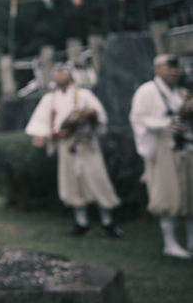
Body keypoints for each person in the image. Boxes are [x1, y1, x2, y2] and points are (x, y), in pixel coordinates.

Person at [25, 63, 122, 237]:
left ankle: (108, 223)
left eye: (64, 71)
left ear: (71, 75)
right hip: (65, 145)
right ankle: (82, 223)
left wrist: (91, 115)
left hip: (86, 144)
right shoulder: (50, 98)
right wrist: (40, 135)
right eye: (57, 72)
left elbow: (100, 116)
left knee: (97, 179)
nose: (60, 75)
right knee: (72, 183)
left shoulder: (84, 95)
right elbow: (41, 122)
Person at [130, 54, 193, 258]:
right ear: (156, 69)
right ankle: (170, 242)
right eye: (169, 67)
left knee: (190, 195)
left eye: (177, 68)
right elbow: (138, 118)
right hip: (164, 147)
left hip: (187, 147)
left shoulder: (183, 93)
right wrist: (166, 124)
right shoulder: (147, 91)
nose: (174, 72)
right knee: (168, 194)